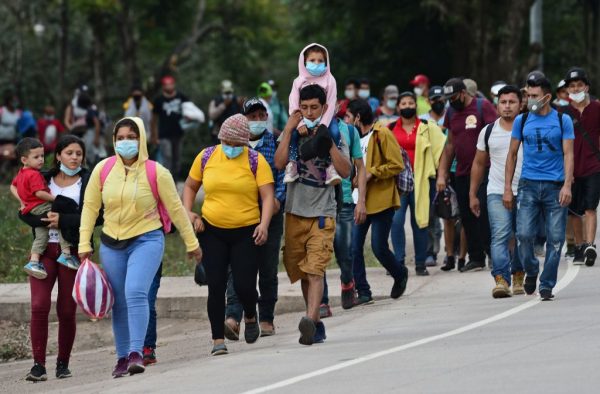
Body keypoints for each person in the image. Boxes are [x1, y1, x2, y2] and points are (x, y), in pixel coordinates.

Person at [78, 117, 201, 377]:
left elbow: (176, 210)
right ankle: (122, 357)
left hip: (146, 238)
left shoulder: (157, 172)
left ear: (141, 139)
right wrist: (83, 242)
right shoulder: (102, 169)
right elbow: (90, 207)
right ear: (114, 140)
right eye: (120, 138)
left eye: (131, 137)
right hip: (111, 242)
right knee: (119, 302)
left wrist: (191, 243)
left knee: (135, 292)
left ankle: (136, 352)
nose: (125, 142)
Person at [184, 114, 274, 355]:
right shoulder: (206, 156)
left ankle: (249, 314)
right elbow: (190, 187)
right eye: (227, 142)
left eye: (236, 145)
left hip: (246, 231)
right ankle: (217, 340)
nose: (231, 148)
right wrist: (189, 214)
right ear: (220, 138)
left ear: (245, 143)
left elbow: (267, 196)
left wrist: (264, 225)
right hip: (213, 230)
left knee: (245, 285)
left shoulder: (256, 161)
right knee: (216, 286)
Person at [274, 84, 351, 346]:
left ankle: (308, 320)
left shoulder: (335, 133)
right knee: (304, 272)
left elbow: (346, 171)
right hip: (294, 211)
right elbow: (279, 162)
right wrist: (288, 129)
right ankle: (315, 322)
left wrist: (328, 145)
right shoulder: (294, 131)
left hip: (323, 211)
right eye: (304, 107)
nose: (309, 112)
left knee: (316, 269)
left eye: (314, 108)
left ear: (324, 107)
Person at [17, 135, 94, 381]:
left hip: (71, 250)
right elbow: (26, 207)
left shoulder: (88, 181)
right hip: (44, 251)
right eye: (69, 153)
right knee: (39, 306)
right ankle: (38, 365)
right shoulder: (43, 178)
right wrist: (39, 219)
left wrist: (64, 220)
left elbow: (95, 217)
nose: (74, 158)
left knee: (66, 309)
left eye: (78, 154)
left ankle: (63, 363)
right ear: (58, 155)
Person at [504, 76, 574, 301]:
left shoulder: (563, 120)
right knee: (523, 235)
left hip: (555, 186)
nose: (529, 100)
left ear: (547, 97)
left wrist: (567, 185)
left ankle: (546, 284)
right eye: (527, 95)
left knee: (555, 239)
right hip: (528, 185)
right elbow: (512, 154)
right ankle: (531, 270)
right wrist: (507, 187)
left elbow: (568, 154)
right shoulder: (521, 121)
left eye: (534, 96)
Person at [223, 99, 284, 338]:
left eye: (261, 115)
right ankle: (233, 316)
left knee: (267, 267)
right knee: (237, 267)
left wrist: (278, 199)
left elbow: (282, 174)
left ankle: (266, 316)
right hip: (241, 214)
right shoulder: (234, 145)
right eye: (252, 116)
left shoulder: (275, 142)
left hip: (271, 213)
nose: (257, 120)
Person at [346, 99, 407, 303]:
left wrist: (373, 173)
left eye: (348, 116)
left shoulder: (382, 134)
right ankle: (363, 291)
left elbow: (397, 164)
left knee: (378, 247)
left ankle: (399, 274)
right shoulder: (353, 137)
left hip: (381, 200)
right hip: (358, 200)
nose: (345, 120)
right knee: (354, 247)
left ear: (358, 117)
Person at [469, 85, 525, 298]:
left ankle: (519, 273)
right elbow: (478, 164)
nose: (507, 106)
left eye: (512, 102)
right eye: (503, 102)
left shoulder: (528, 129)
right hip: (496, 191)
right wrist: (473, 194)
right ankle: (501, 279)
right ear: (497, 105)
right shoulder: (488, 131)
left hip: (526, 191)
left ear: (521, 105)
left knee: (523, 236)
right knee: (500, 235)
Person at [436, 78, 497, 272]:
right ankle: (476, 256)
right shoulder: (452, 112)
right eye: (448, 99)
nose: (451, 101)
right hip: (462, 171)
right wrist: (442, 173)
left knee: (485, 213)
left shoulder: (483, 106)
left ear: (464, 93)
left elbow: (494, 135)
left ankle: (493, 254)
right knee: (466, 216)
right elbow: (450, 145)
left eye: (454, 97)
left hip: (485, 169)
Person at [389, 92, 446, 276]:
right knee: (396, 222)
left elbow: (442, 150)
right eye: (403, 103)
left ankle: (420, 263)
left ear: (416, 106)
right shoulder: (389, 129)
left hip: (422, 179)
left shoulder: (428, 127)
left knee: (420, 221)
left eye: (411, 103)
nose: (407, 106)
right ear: (398, 107)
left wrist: (441, 176)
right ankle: (398, 263)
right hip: (397, 182)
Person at [319, 111, 367, 317]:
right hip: (318, 202)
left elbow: (360, 167)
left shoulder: (348, 131)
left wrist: (361, 201)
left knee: (344, 252)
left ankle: (348, 281)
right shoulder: (306, 129)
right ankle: (321, 301)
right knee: (318, 253)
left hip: (345, 201)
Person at [10, 138, 78, 279]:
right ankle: (66, 254)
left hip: (31, 209)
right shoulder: (34, 174)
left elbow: (12, 186)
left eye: (42, 155)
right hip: (41, 205)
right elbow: (39, 193)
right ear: (24, 159)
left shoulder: (22, 172)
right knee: (60, 219)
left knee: (41, 234)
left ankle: (34, 261)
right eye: (36, 157)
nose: (41, 159)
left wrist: (22, 201)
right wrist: (57, 199)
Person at [284, 43, 341, 186]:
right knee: (292, 133)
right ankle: (292, 164)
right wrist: (301, 123)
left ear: (326, 62)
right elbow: (293, 104)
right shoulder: (298, 81)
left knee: (334, 132)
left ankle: (331, 167)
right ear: (304, 62)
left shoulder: (330, 80)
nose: (316, 64)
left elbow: (331, 103)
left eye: (320, 61)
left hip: (325, 118)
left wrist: (323, 126)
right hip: (303, 118)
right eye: (312, 60)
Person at [562, 67, 600, 266]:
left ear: (586, 87)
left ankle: (589, 245)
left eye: (579, 85)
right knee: (574, 211)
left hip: (594, 166)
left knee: (590, 208)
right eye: (572, 86)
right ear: (567, 89)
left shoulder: (597, 107)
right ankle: (578, 247)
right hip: (571, 168)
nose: (576, 88)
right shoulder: (562, 112)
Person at [151, 76, 190, 177]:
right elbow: (154, 119)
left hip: (178, 133)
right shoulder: (158, 100)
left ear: (174, 84)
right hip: (164, 134)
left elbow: (190, 110)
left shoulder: (181, 97)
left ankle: (175, 181)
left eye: (170, 84)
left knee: (177, 158)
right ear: (163, 86)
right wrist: (154, 136)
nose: (169, 86)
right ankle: (167, 180)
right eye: (166, 85)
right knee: (167, 156)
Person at [63, 85, 105, 167]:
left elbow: (96, 123)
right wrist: (72, 129)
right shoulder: (72, 107)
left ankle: (94, 165)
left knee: (92, 150)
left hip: (90, 131)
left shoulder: (90, 109)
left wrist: (96, 137)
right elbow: (67, 120)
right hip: (79, 133)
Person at [208, 80, 243, 145]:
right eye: (226, 93)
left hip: (234, 134)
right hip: (218, 134)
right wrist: (223, 105)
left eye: (229, 93)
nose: (228, 95)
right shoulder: (216, 101)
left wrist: (242, 105)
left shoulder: (237, 100)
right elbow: (211, 116)